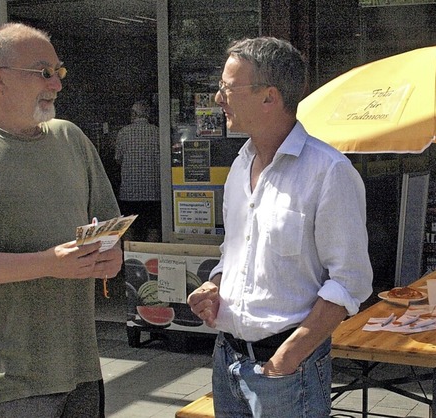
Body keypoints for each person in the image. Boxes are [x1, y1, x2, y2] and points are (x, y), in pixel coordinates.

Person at [0, 23, 122, 417]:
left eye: (58, 72)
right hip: (12, 377)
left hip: (82, 366)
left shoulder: (71, 138)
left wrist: (109, 259)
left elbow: (111, 233)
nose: (57, 85)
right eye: (43, 73)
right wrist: (49, 263)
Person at [186, 37, 373, 418]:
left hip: (287, 372)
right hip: (228, 360)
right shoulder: (240, 165)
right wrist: (216, 286)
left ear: (269, 97)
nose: (218, 98)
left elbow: (350, 281)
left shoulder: (329, 171)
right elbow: (235, 252)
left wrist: (287, 358)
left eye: (227, 87)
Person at [115, 100, 161, 242]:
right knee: (153, 227)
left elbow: (118, 159)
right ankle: (151, 258)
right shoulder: (158, 132)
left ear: (134, 114)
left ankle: (129, 260)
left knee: (129, 229)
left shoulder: (123, 133)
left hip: (129, 192)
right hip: (153, 192)